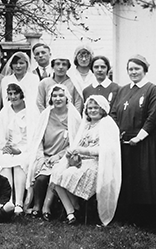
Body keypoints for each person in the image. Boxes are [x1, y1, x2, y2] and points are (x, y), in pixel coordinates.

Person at [51, 95, 121, 225]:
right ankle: (72, 212)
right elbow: (78, 144)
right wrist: (71, 153)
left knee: (67, 174)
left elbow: (107, 150)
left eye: (96, 107)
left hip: (98, 164)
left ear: (102, 109)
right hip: (81, 162)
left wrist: (82, 150)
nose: (92, 110)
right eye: (90, 108)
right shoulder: (87, 125)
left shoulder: (107, 124)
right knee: (56, 174)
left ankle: (76, 210)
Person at [110, 55, 156, 224]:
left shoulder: (152, 89)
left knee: (144, 179)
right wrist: (116, 132)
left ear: (145, 70)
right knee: (127, 178)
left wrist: (139, 137)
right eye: (130, 69)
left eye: (137, 69)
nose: (133, 72)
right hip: (124, 142)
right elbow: (113, 113)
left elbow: (153, 116)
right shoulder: (123, 89)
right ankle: (127, 217)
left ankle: (146, 220)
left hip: (144, 142)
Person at [26, 84, 81, 219]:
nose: (57, 98)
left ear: (67, 97)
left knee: (54, 176)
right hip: (45, 156)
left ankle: (47, 208)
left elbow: (75, 142)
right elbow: (38, 139)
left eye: (61, 95)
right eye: (54, 96)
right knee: (41, 178)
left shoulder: (73, 116)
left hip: (64, 157)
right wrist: (41, 157)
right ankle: (37, 206)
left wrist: (59, 156)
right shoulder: (45, 115)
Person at [0, 82, 37, 214]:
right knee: (5, 162)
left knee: (20, 163)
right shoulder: (5, 111)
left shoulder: (31, 111)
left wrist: (20, 150)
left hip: (26, 148)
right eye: (10, 94)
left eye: (16, 93)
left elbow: (34, 135)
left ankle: (19, 202)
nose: (13, 96)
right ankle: (8, 200)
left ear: (22, 94)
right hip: (9, 147)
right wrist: (5, 146)